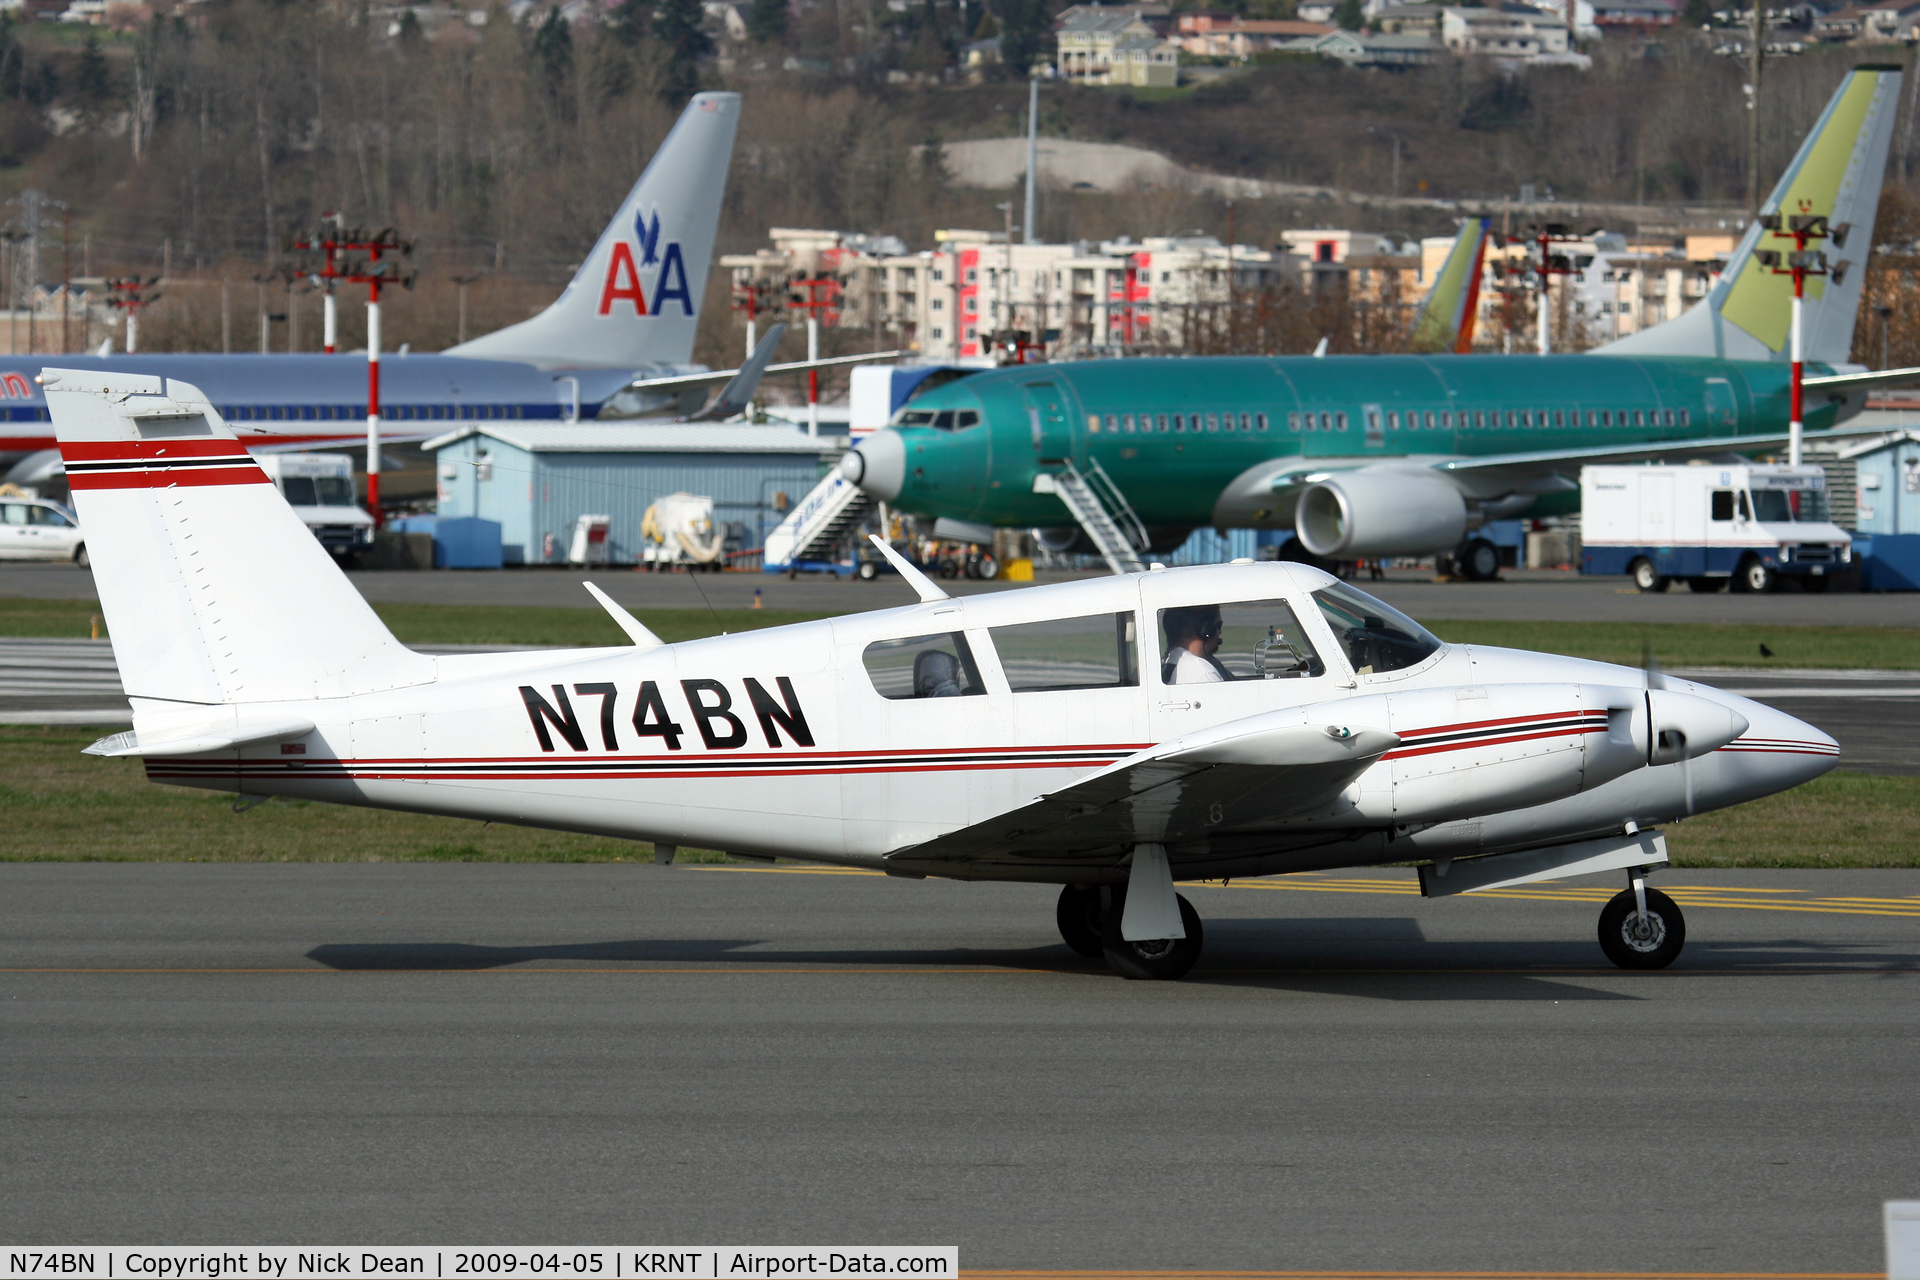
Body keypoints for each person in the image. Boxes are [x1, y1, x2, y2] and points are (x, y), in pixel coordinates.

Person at [1161, 605, 1231, 684]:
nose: (1220, 632)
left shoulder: (1172, 660)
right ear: (1206, 629)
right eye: (1218, 626)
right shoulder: (1205, 675)